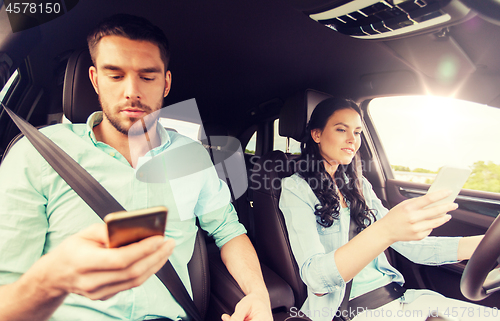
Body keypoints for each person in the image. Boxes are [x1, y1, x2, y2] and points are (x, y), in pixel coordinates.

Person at [0, 14, 272, 321]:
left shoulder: (192, 156)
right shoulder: (38, 154)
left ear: (166, 83)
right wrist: (51, 281)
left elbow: (228, 231)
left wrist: (259, 297)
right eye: (115, 76)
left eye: (147, 76)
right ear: (95, 80)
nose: (132, 91)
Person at [279, 97, 494, 321]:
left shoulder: (359, 184)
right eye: (342, 129)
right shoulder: (296, 188)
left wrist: (487, 245)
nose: (352, 139)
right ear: (317, 135)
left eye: (358, 132)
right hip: (349, 311)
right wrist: (384, 231)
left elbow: (416, 249)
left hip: (402, 300)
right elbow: (316, 279)